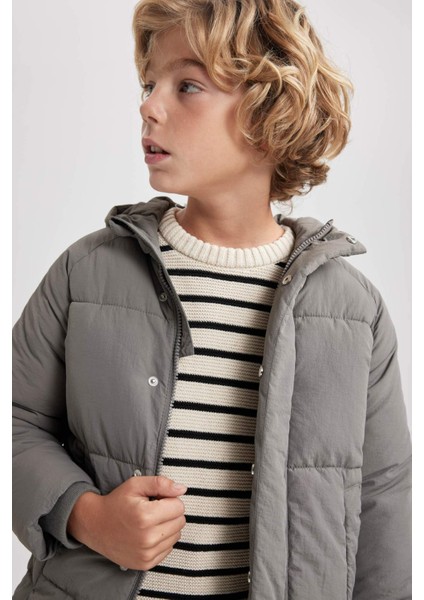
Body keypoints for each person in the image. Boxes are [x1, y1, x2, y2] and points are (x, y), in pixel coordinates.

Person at [12, 0, 411, 599]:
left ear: (271, 110)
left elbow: (381, 500)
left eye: (188, 86)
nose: (149, 106)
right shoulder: (86, 273)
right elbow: (14, 421)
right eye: (149, 85)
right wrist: (85, 515)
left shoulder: (354, 312)